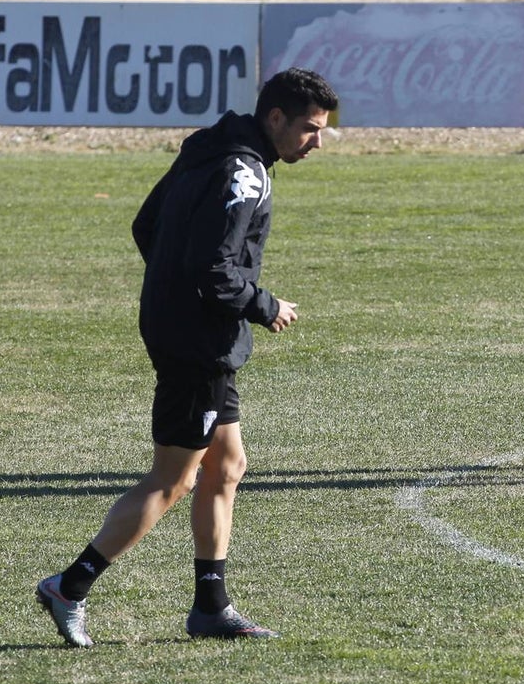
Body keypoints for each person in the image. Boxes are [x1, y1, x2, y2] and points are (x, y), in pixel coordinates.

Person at [35, 68, 339, 647]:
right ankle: (69, 586)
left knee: (226, 468)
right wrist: (262, 303)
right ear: (275, 117)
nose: (317, 142)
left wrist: (174, 294)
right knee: (173, 480)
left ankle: (210, 607)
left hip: (194, 333)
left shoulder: (210, 147)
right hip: (197, 343)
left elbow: (146, 225)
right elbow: (215, 269)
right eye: (309, 129)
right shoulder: (243, 172)